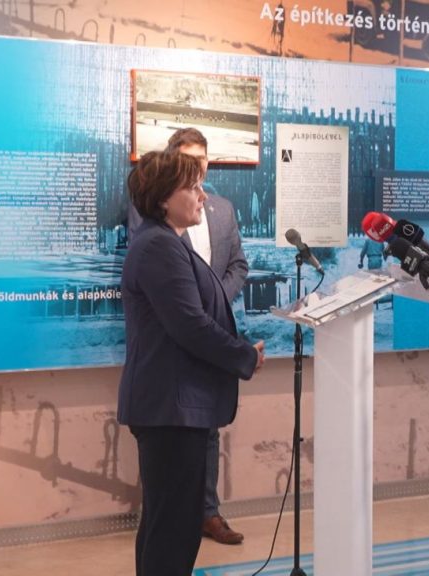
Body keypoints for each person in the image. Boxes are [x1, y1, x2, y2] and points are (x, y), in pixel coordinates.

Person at [118, 150, 265, 575]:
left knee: (168, 524)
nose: (203, 196)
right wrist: (243, 355)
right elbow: (190, 325)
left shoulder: (166, 242)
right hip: (171, 408)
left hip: (174, 406)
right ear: (164, 197)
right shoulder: (159, 247)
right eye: (193, 187)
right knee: (173, 529)